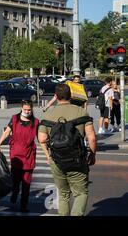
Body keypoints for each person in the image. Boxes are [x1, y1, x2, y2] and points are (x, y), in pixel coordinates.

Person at [38, 84, 97, 216]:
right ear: (71, 95)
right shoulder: (81, 112)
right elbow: (92, 138)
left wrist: (48, 155)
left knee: (63, 194)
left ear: (56, 97)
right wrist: (92, 155)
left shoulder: (48, 113)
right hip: (78, 159)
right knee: (81, 193)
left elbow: (41, 138)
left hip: (57, 160)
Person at [0, 100, 39, 212]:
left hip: (29, 156)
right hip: (16, 156)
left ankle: (24, 205)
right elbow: (6, 132)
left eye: (29, 110)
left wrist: (48, 154)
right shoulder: (14, 119)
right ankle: (14, 193)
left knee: (26, 184)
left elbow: (41, 139)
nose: (27, 112)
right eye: (25, 110)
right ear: (21, 108)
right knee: (15, 180)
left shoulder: (36, 122)